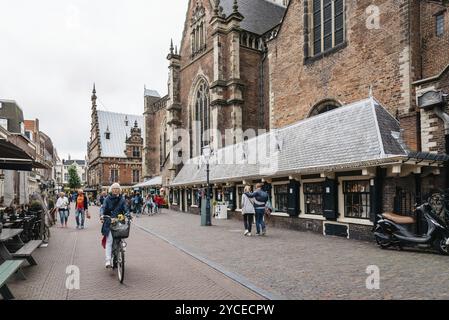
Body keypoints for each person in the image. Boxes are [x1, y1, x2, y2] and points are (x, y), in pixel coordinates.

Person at [100, 183, 127, 268]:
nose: (116, 190)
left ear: (120, 190)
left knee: (121, 236)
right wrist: (102, 215)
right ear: (111, 190)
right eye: (114, 188)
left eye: (117, 188)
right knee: (109, 241)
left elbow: (125, 209)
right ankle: (108, 260)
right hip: (109, 221)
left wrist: (128, 214)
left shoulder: (122, 199)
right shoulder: (107, 199)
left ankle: (120, 251)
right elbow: (103, 208)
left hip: (119, 221)